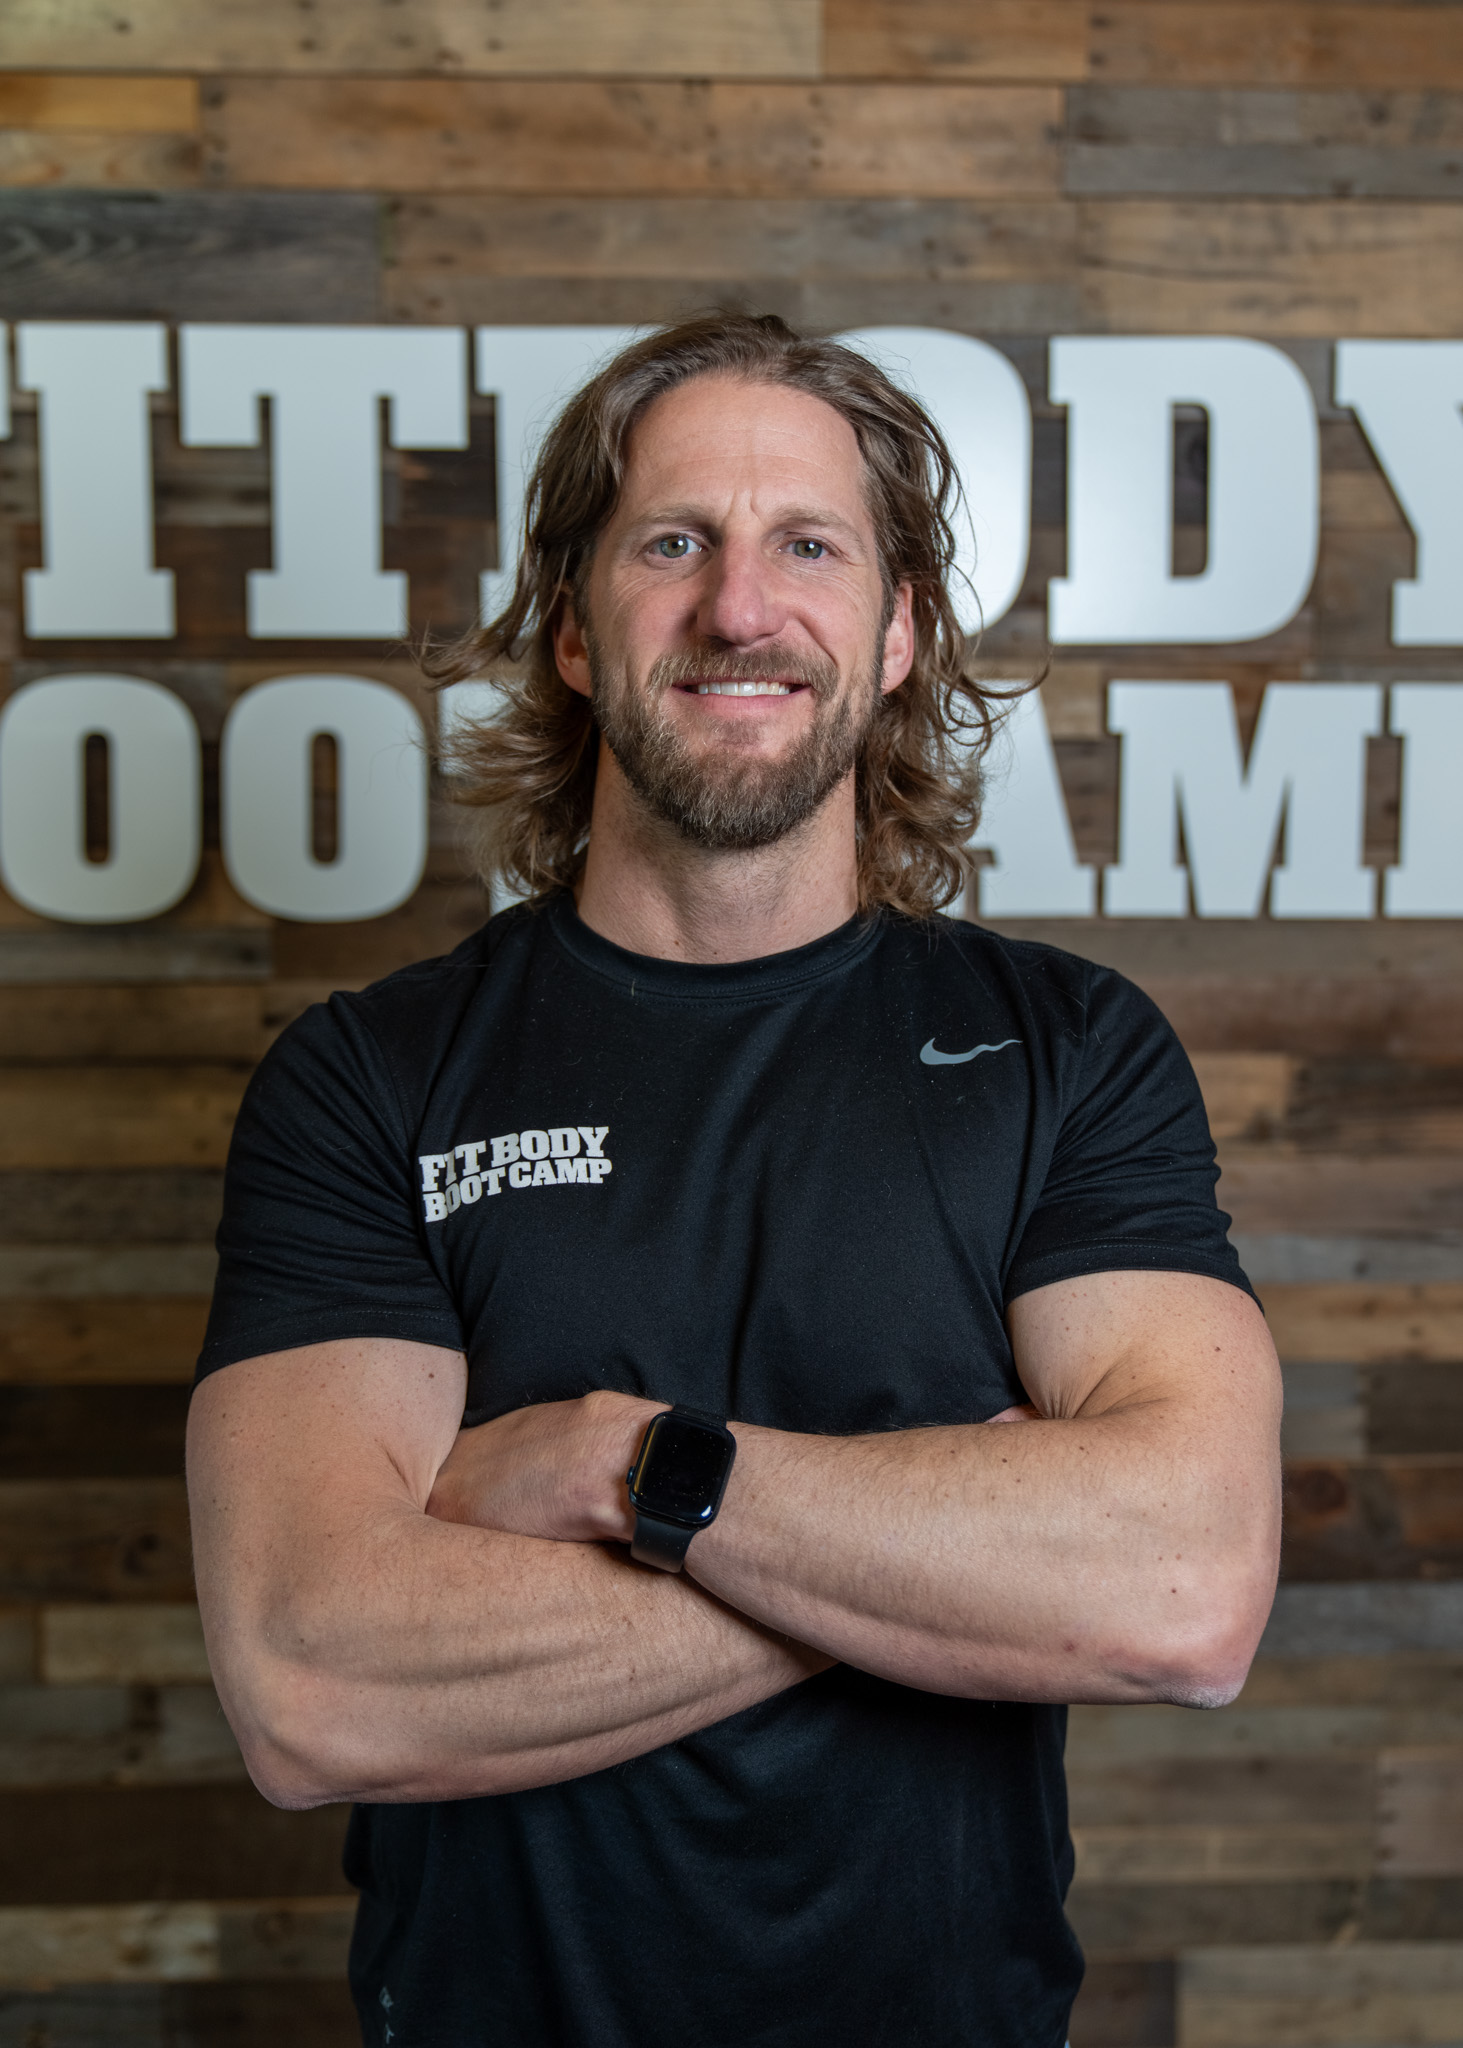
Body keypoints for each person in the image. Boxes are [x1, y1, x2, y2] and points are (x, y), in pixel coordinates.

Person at [186, 313, 1282, 2048]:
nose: (742, 609)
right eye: (675, 541)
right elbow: (314, 1679)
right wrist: (952, 1563)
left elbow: (1183, 1591)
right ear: (569, 623)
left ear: (900, 628)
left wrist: (640, 1469)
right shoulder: (367, 1077)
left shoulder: (1067, 1049)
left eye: (812, 547)